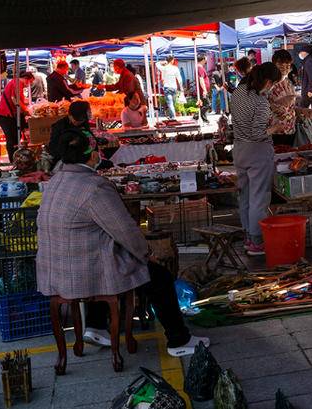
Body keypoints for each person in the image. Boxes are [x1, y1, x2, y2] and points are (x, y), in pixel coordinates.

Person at [36, 129, 209, 356]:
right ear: (91, 155)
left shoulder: (55, 181)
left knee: (105, 255)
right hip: (83, 271)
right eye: (96, 150)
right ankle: (179, 340)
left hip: (55, 270)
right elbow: (125, 230)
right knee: (158, 277)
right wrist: (147, 254)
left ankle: (97, 326)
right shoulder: (94, 187)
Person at [230, 62, 282, 256]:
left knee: (245, 196)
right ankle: (256, 240)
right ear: (268, 81)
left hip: (239, 150)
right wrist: (276, 127)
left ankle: (247, 236)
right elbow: (258, 133)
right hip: (257, 152)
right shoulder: (260, 102)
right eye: (274, 83)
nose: (273, 87)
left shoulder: (238, 92)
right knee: (259, 198)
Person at [268, 50, 312, 147]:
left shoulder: (288, 83)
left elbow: (291, 107)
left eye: (287, 66)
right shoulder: (268, 84)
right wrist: (279, 103)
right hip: (275, 132)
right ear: (274, 65)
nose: (284, 69)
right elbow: (261, 106)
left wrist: (302, 110)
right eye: (281, 66)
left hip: (290, 130)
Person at [0, 71, 33, 160]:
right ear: (26, 79)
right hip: (5, 114)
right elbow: (15, 99)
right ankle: (13, 159)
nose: (28, 85)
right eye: (30, 82)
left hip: (8, 114)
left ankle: (16, 158)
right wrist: (26, 110)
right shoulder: (18, 83)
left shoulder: (15, 82)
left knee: (16, 137)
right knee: (11, 138)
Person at [297, 47, 312, 119]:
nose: (299, 54)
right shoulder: (309, 61)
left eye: (300, 53)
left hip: (308, 90)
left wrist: (310, 90)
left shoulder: (308, 62)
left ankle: (302, 124)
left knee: (303, 108)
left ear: (304, 52)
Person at [196, 55, 210, 120]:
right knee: (208, 105)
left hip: (202, 89)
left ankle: (204, 119)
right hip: (202, 90)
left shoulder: (200, 67)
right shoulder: (199, 68)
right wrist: (204, 90)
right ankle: (196, 115)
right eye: (206, 58)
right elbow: (201, 79)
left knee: (204, 105)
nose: (207, 59)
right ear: (203, 59)